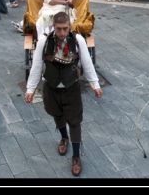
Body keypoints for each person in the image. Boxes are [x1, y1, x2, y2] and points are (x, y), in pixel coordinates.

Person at [25, 12, 103, 176]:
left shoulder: (78, 40)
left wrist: (95, 85)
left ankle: (76, 156)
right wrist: (30, 89)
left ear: (70, 27)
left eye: (65, 29)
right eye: (59, 29)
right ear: (54, 27)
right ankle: (63, 137)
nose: (62, 32)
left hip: (71, 86)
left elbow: (87, 63)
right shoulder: (44, 41)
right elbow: (37, 66)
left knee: (74, 121)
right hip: (51, 86)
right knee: (56, 114)